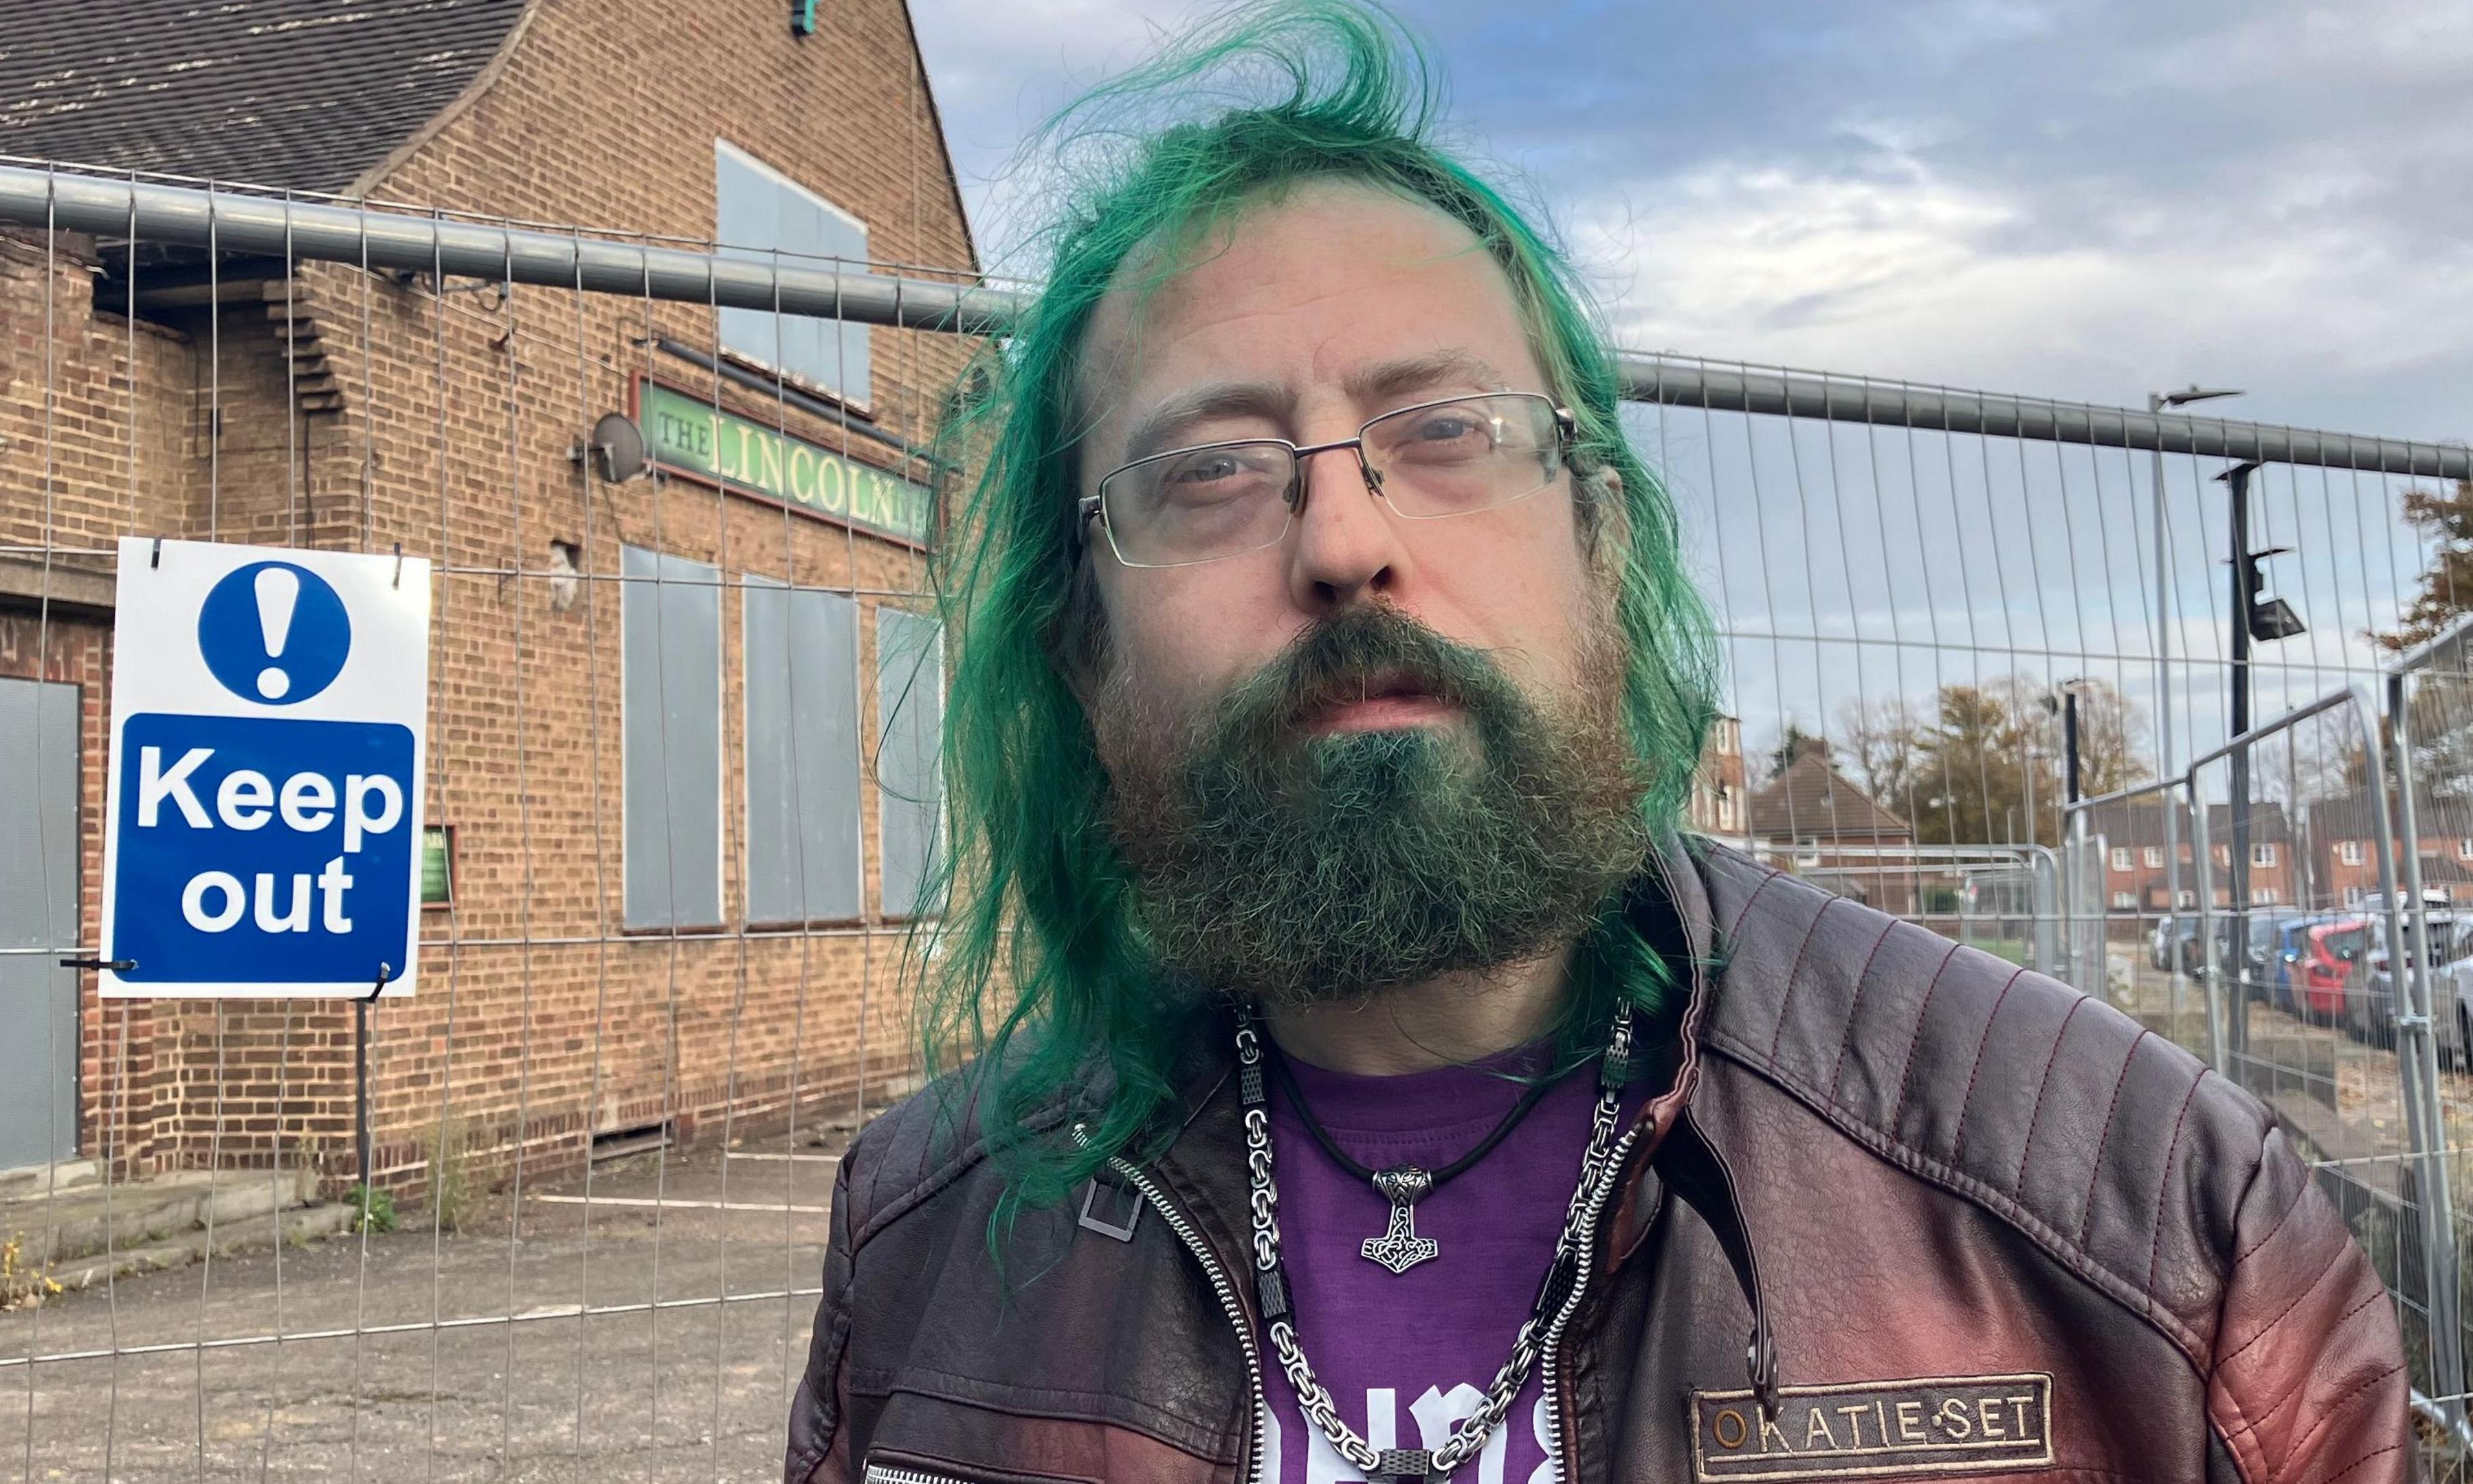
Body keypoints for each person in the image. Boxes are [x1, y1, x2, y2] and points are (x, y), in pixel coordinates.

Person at [786, 5, 2411, 1481]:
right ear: (1081, 657)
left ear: (1605, 551)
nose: (1343, 537)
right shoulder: (921, 1255)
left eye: (1445, 432)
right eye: (1211, 470)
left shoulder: (2139, 1215)